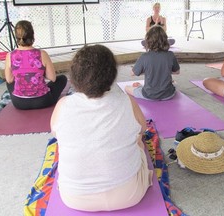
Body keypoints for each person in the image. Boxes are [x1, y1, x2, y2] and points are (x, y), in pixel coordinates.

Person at [51, 45, 153, 212]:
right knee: (137, 140)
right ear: (111, 75)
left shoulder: (63, 105)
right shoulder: (127, 101)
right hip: (129, 194)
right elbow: (142, 129)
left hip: (74, 197)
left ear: (75, 75)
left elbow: (55, 133)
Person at [4, 20, 67, 110]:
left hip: (19, 103)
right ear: (32, 35)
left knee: (8, 80)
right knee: (62, 79)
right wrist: (40, 72)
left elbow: (9, 80)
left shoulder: (10, 55)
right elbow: (52, 78)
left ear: (16, 36)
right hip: (43, 101)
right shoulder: (42, 54)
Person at [126, 25, 180, 101]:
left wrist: (148, 71)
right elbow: (177, 72)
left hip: (149, 95)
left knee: (127, 88)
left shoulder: (144, 56)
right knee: (174, 83)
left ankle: (140, 88)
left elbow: (133, 73)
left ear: (148, 40)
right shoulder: (170, 54)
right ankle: (140, 87)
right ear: (165, 40)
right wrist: (163, 70)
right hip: (168, 94)